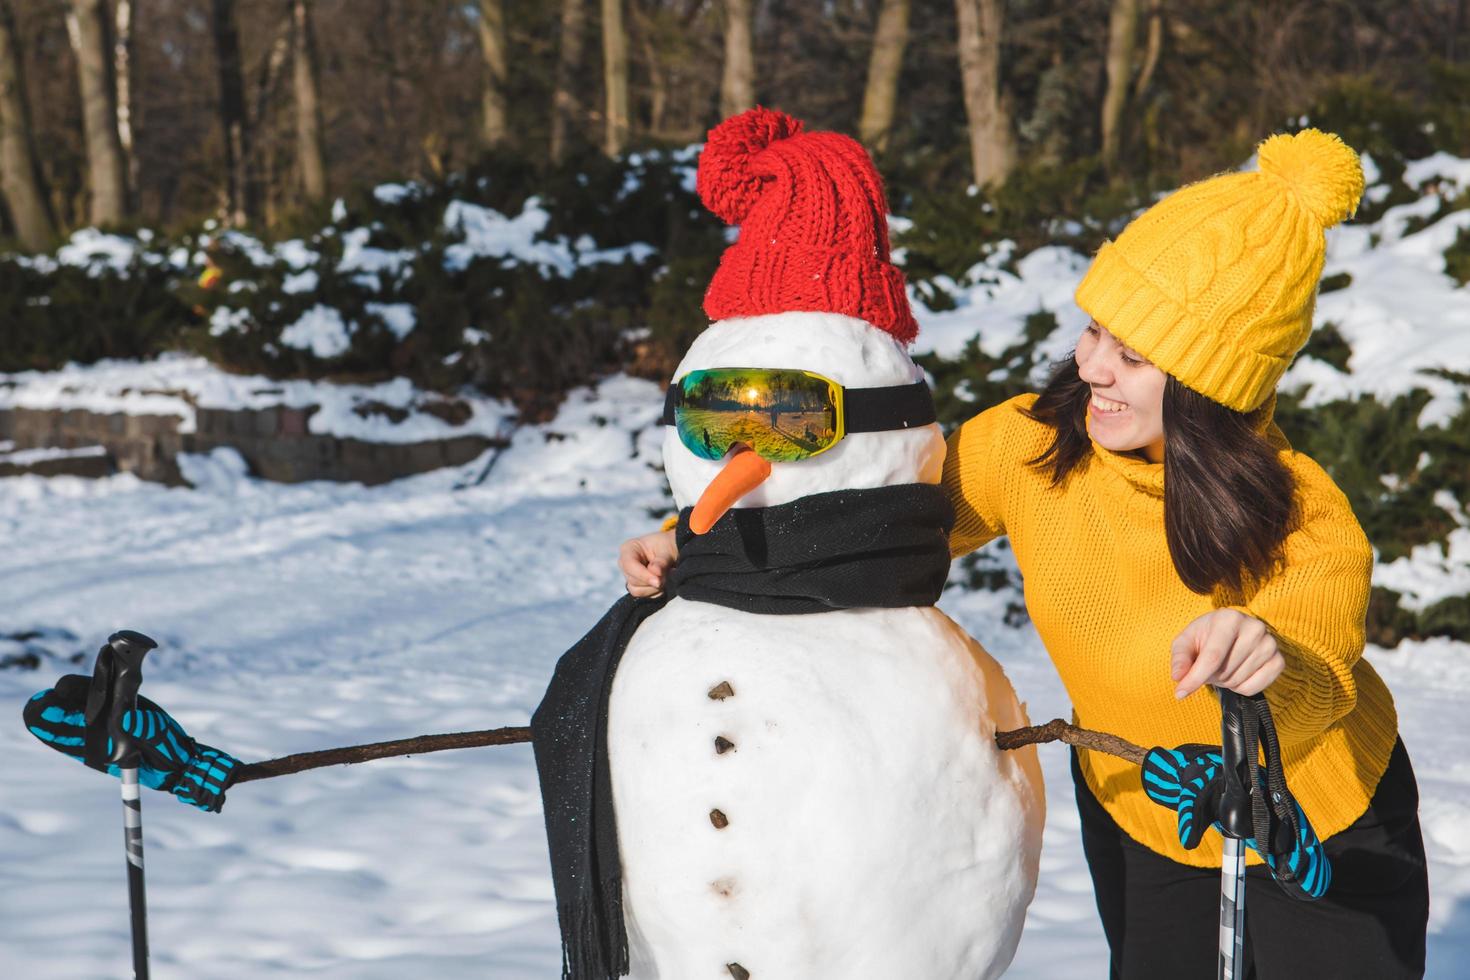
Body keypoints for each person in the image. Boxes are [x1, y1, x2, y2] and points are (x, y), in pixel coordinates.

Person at [619, 129, 1428, 978]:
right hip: (1144, 804)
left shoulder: (1303, 513)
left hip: (1317, 821)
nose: (1094, 368)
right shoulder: (1033, 447)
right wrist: (690, 544)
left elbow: (1321, 682)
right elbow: (880, 522)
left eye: (1134, 354)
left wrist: (1266, 658)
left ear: (1214, 381)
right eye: (1094, 333)